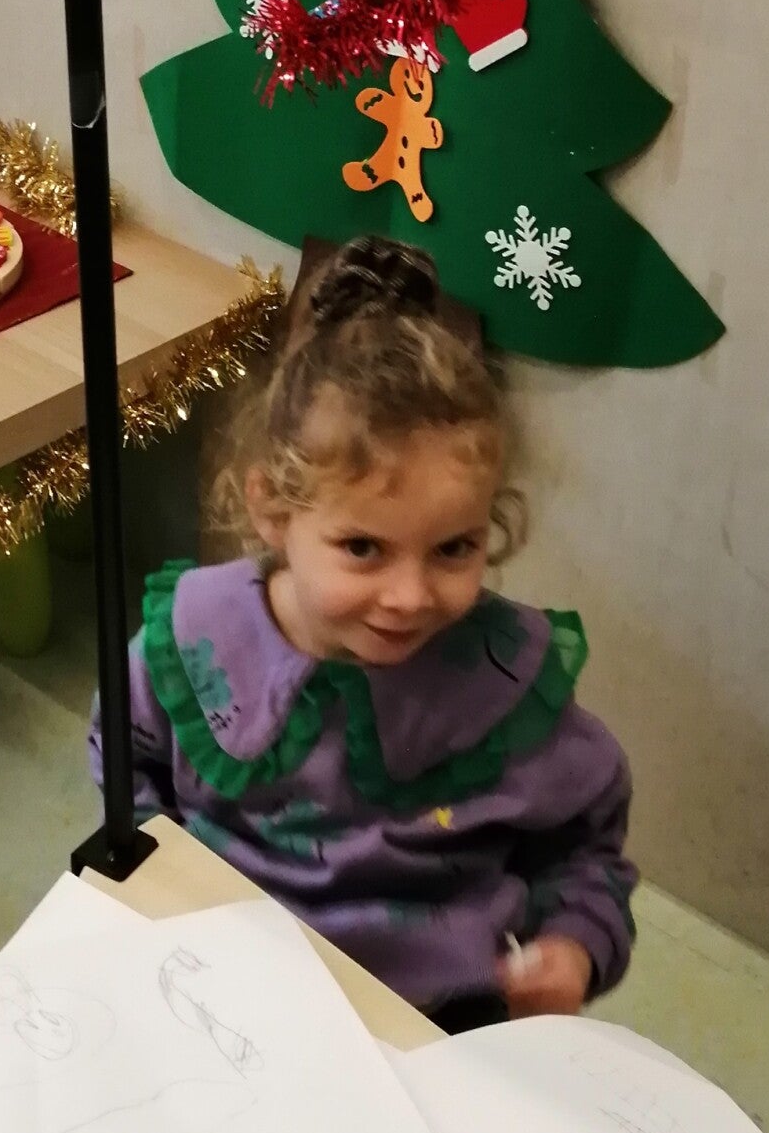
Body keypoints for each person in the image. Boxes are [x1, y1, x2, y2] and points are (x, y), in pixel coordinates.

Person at [87, 236, 635, 1033]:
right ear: (272, 510)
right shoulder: (192, 646)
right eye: (363, 548)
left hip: (432, 1018)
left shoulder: (506, 690)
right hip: (223, 993)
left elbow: (586, 848)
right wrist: (153, 881)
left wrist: (575, 944)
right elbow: (124, 768)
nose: (410, 597)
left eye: (455, 548)